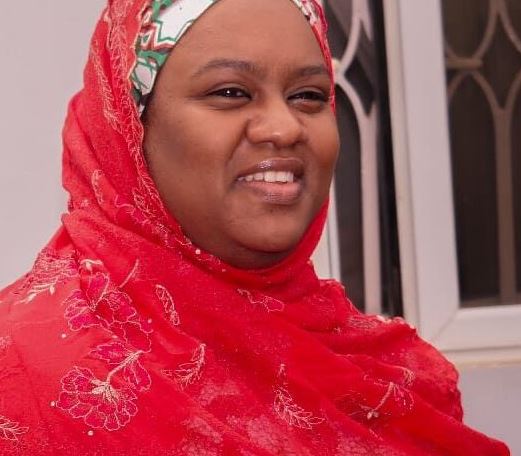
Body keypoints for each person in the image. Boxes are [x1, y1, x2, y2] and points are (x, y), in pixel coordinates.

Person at [0, 0, 510, 454]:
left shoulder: (383, 375)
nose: (284, 128)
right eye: (230, 92)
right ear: (131, 125)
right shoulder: (26, 368)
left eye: (308, 96)